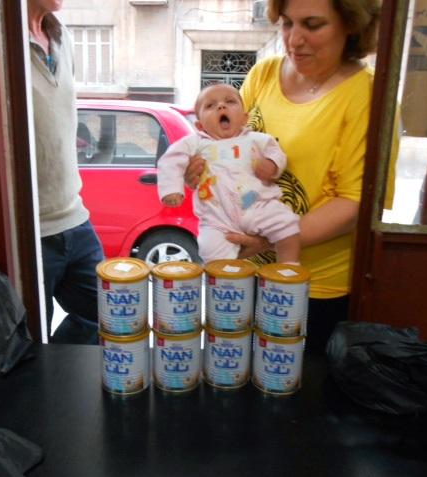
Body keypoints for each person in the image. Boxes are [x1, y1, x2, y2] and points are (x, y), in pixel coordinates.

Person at [185, 0, 396, 353]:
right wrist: (200, 171)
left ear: (352, 25)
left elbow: (355, 204)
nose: (294, 40)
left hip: (313, 287)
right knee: (231, 372)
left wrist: (272, 239)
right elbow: (230, 144)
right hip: (244, 270)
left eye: (312, 25)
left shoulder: (368, 96)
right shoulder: (264, 73)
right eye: (286, 23)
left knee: (293, 382)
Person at [28, 0, 104, 344]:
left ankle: (59, 365)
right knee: (30, 342)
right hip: (30, 229)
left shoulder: (62, 37)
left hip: (74, 216)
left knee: (110, 316)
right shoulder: (4, 41)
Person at [157, 83, 301, 264]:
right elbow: (171, 159)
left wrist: (272, 165)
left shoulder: (256, 139)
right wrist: (172, 188)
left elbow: (276, 152)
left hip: (258, 206)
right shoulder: (196, 142)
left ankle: (288, 267)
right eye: (210, 105)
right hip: (217, 216)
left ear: (245, 118)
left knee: (287, 225)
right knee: (209, 248)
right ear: (200, 125)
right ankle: (222, 278)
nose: (221, 106)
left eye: (230, 102)